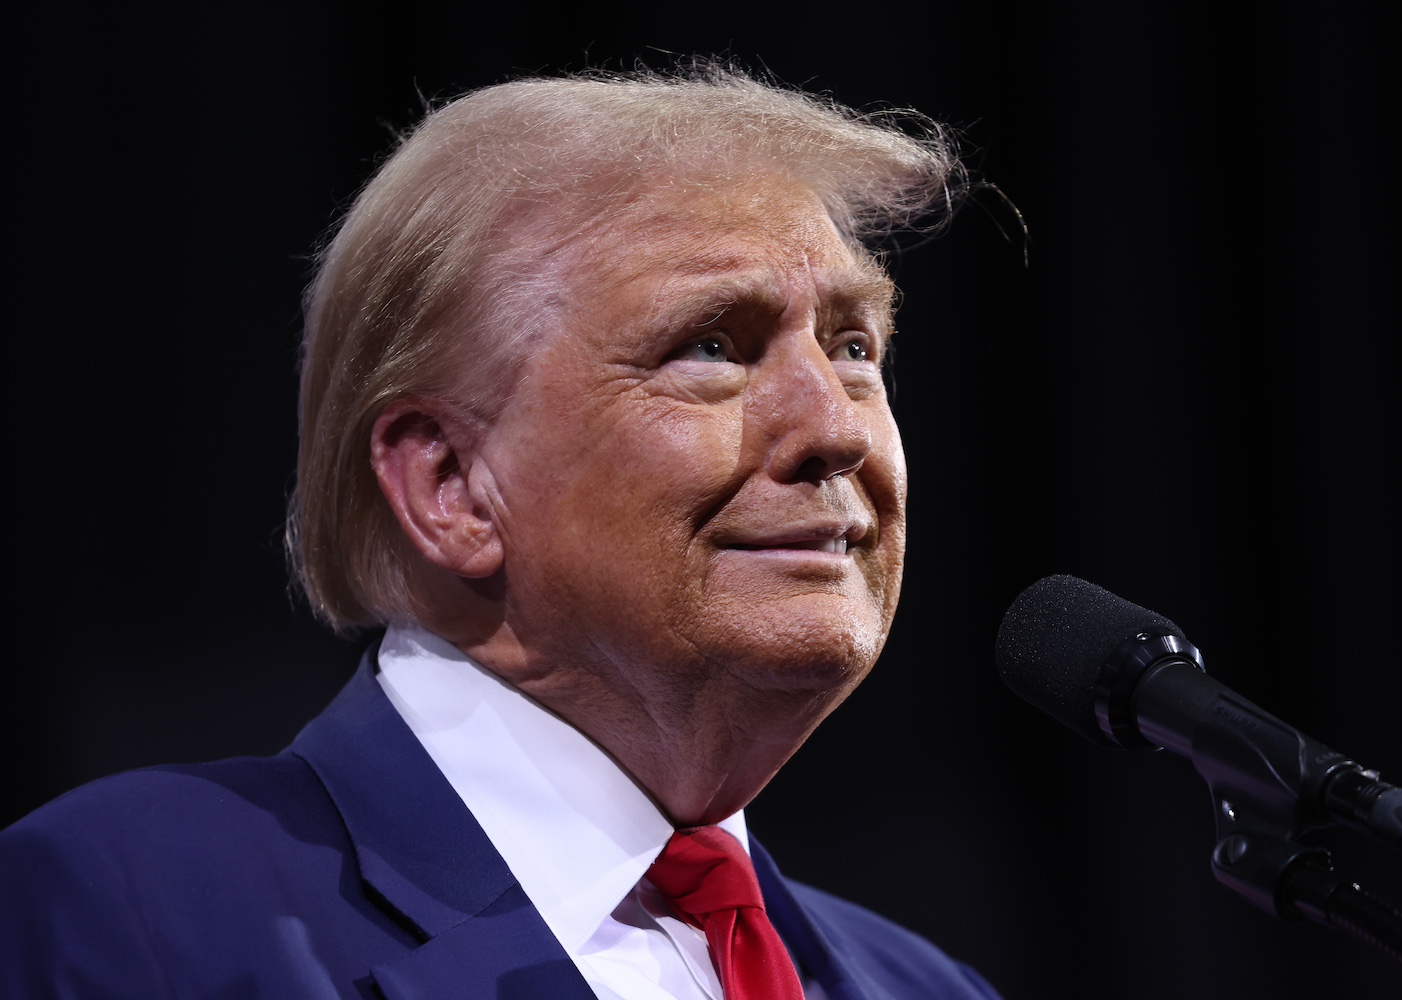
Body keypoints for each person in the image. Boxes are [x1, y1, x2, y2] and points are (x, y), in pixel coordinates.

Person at [1, 62, 1003, 999]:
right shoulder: (139, 910)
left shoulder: (925, 984)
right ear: (451, 485)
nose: (832, 427)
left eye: (854, 346)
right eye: (711, 347)